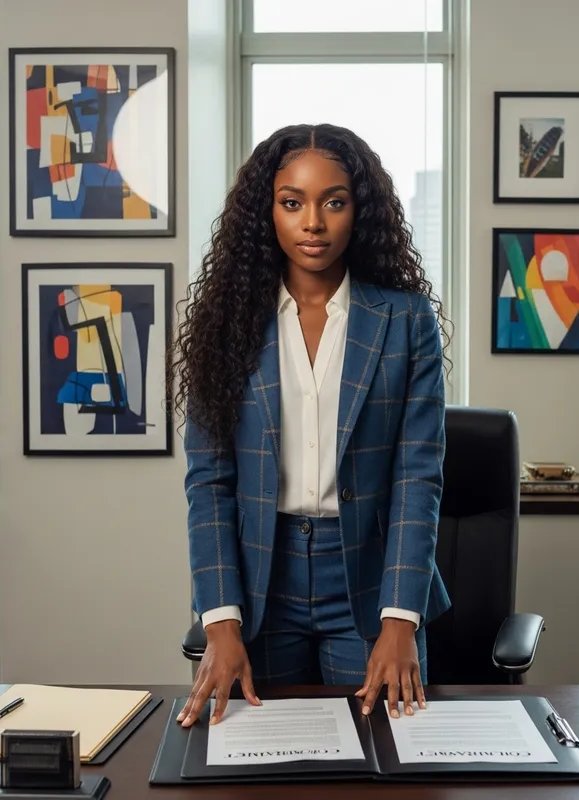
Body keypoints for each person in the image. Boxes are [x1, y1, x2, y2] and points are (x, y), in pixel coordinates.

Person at [169, 123, 451, 729]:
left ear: (360, 209)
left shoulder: (405, 320)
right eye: (292, 202)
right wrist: (219, 621)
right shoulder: (228, 323)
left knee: (391, 755)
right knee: (257, 763)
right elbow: (209, 484)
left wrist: (401, 618)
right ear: (266, 211)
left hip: (373, 581)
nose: (313, 223)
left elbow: (417, 478)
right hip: (260, 581)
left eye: (334, 202)